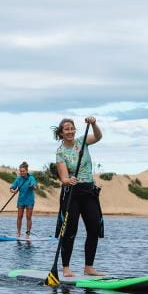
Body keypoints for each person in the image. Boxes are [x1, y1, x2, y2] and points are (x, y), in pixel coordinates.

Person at [53, 116, 104, 277]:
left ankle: (88, 267)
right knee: (70, 230)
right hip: (72, 193)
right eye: (66, 129)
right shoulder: (60, 152)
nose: (70, 131)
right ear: (61, 133)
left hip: (89, 191)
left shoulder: (83, 141)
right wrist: (69, 180)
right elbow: (63, 178)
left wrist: (93, 124)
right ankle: (66, 267)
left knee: (94, 228)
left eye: (72, 128)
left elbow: (98, 137)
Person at [10, 162, 38, 239]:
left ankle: (27, 234)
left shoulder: (31, 178)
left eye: (23, 171)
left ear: (26, 171)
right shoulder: (18, 179)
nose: (22, 173)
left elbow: (35, 187)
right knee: (19, 216)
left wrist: (32, 186)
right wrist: (13, 191)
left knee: (28, 217)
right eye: (21, 171)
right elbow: (12, 188)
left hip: (29, 200)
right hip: (21, 200)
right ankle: (18, 233)